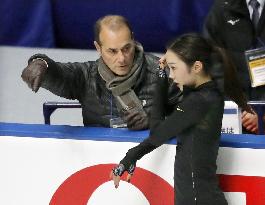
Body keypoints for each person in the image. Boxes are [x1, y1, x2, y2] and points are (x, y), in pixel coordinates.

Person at [110, 33, 252, 205]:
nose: (171, 75)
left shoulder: (199, 101)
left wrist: (130, 156)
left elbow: (158, 132)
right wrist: (162, 74)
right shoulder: (204, 92)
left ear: (197, 67)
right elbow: (164, 113)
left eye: (174, 68)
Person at [21, 15, 178, 130]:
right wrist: (42, 64)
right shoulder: (87, 76)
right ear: (98, 48)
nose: (121, 58)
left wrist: (156, 122)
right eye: (112, 51)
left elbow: (192, 112)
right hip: (98, 158)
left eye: (126, 48)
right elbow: (61, 75)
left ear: (133, 40)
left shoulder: (161, 72)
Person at [204, 0, 265, 133]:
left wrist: (262, 114)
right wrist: (237, 108)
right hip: (236, 118)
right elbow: (212, 66)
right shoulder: (221, 9)